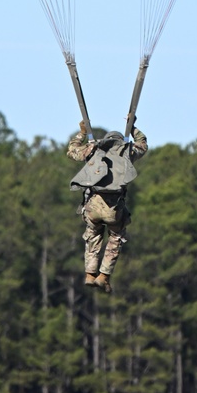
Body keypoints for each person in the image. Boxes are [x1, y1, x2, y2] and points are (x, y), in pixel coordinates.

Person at [67, 120, 148, 293]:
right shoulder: (127, 151)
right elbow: (143, 144)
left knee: (93, 235)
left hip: (93, 206)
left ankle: (90, 274)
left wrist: (81, 133)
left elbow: (72, 150)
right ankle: (104, 276)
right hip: (114, 208)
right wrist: (133, 128)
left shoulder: (93, 149)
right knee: (116, 237)